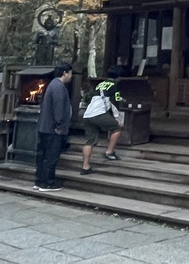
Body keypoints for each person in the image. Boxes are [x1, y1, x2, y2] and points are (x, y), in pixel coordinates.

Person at [79, 67, 126, 175]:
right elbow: (115, 101)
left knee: (90, 141)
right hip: (99, 113)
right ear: (118, 78)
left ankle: (85, 167)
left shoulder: (100, 84)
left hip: (88, 114)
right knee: (117, 127)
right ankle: (109, 152)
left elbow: (88, 97)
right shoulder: (114, 85)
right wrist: (117, 117)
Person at [34, 62, 73, 192]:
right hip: (53, 129)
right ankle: (47, 182)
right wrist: (59, 125)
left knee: (43, 155)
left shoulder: (52, 85)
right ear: (65, 73)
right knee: (51, 156)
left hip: (45, 127)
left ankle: (39, 180)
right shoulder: (59, 87)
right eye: (70, 73)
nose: (71, 76)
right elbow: (58, 107)